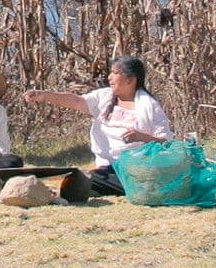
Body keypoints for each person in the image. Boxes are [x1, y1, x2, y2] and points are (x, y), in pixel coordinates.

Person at [23, 55, 173, 196]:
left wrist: (141, 137)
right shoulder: (104, 97)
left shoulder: (150, 106)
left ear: (130, 80)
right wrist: (45, 95)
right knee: (79, 180)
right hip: (106, 169)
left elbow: (166, 143)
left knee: (83, 182)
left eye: (115, 73)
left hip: (137, 168)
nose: (110, 77)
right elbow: (76, 101)